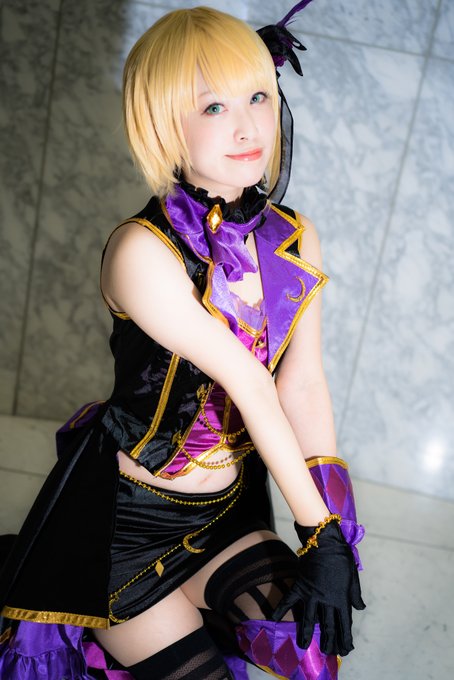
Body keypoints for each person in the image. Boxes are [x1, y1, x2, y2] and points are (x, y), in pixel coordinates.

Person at [0, 4, 365, 679]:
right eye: (214, 106)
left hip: (225, 513)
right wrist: (316, 531)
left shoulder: (294, 235)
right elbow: (249, 382)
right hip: (124, 530)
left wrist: (337, 533)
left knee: (314, 655)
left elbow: (302, 382)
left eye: (258, 96)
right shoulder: (142, 251)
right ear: (163, 123)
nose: (248, 125)